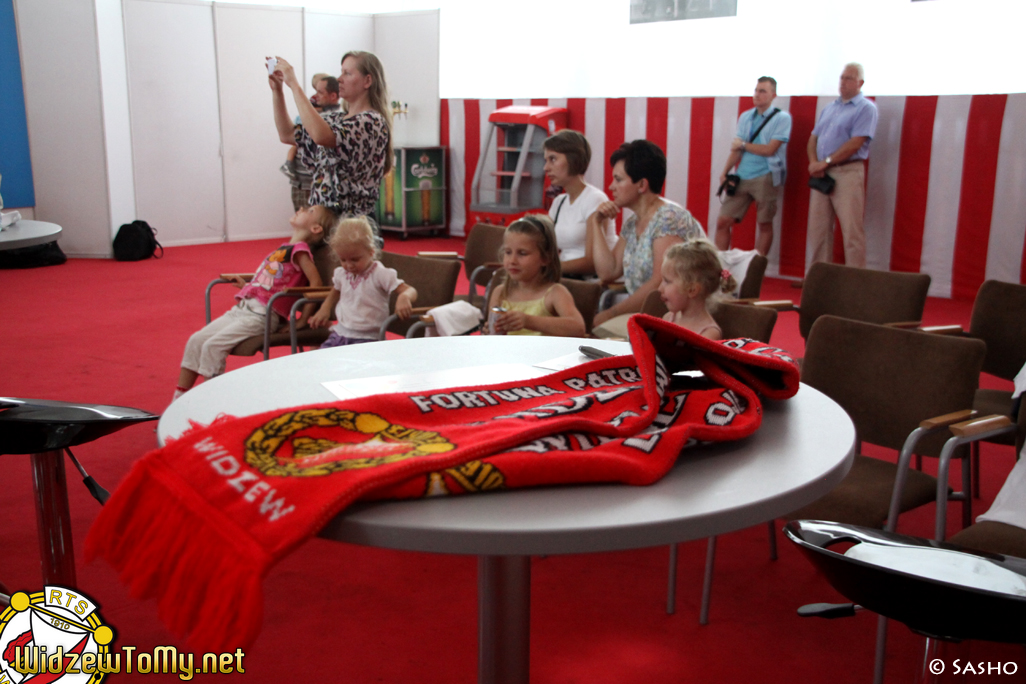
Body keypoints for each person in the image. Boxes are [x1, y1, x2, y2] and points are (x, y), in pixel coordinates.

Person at [174, 205, 333, 400]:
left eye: (310, 211)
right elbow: (271, 281)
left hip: (260, 315)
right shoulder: (284, 248)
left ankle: (214, 404)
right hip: (243, 309)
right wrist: (248, 285)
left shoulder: (300, 251)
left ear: (315, 228)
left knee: (212, 347)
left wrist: (301, 320)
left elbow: (315, 283)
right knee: (196, 340)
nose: (302, 208)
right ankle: (178, 400)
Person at [588, 140, 704, 330]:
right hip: (643, 314)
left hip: (670, 316)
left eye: (618, 180)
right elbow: (608, 271)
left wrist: (611, 314)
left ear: (642, 184)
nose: (610, 187)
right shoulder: (632, 223)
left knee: (595, 331)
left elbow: (659, 283)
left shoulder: (669, 219)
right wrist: (596, 223)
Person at [270, 51, 392, 219]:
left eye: (347, 73)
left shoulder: (371, 121)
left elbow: (321, 136)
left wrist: (294, 85)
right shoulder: (337, 118)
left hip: (352, 224)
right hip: (326, 219)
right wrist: (277, 91)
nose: (339, 79)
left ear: (367, 81)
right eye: (341, 72)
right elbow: (287, 134)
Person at [807, 62, 879, 269]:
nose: (843, 82)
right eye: (842, 77)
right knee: (818, 230)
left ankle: (855, 279)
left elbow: (856, 143)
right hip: (822, 173)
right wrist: (814, 163)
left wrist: (825, 162)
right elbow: (813, 138)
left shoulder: (866, 108)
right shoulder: (830, 108)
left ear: (860, 83)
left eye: (849, 78)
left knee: (851, 230)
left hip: (847, 172)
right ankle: (819, 277)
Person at [308, 216, 416, 346]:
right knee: (322, 356)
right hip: (340, 333)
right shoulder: (342, 274)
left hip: (368, 339)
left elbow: (410, 290)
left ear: (371, 252)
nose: (349, 265)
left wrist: (404, 297)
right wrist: (325, 307)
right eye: (343, 260)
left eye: (355, 259)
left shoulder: (379, 274)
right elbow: (336, 290)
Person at [715, 77, 792, 256]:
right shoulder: (746, 116)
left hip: (766, 174)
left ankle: (757, 265)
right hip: (742, 174)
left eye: (762, 91)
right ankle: (720, 264)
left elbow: (770, 149)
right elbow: (736, 149)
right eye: (756, 90)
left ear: (773, 95)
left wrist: (743, 145)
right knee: (723, 221)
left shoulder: (782, 118)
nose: (757, 94)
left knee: (764, 223)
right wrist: (725, 172)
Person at [487, 215, 586, 337]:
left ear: (545, 258)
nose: (512, 260)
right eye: (508, 252)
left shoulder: (555, 293)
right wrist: (488, 331)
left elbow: (578, 328)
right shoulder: (500, 293)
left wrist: (528, 321)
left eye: (522, 253)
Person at [543, 130, 615, 276]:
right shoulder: (559, 202)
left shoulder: (594, 199)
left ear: (573, 159)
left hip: (588, 282)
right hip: (565, 277)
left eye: (553, 159)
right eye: (546, 160)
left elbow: (592, 262)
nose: (546, 168)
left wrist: (544, 269)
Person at [282, 75, 343, 211]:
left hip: (314, 182)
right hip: (301, 181)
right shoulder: (317, 113)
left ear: (333, 96)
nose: (316, 96)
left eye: (320, 92)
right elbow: (289, 135)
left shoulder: (334, 118)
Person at [658, 240, 738, 341]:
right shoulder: (668, 318)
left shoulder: (709, 333)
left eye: (667, 281)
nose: (659, 288)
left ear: (692, 290)